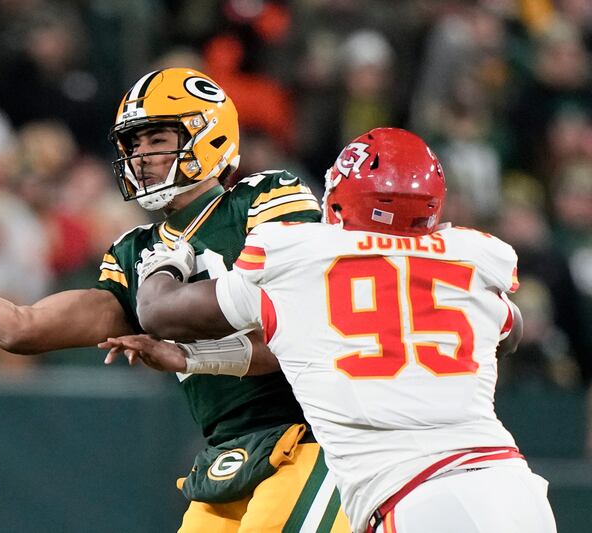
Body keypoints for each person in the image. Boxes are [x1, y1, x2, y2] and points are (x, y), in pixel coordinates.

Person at [0, 67, 350, 532]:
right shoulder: (135, 253)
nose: (140, 157)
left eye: (156, 140)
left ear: (209, 136)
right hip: (226, 459)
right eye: (133, 146)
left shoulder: (265, 199)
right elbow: (19, 328)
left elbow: (295, 335)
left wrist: (187, 356)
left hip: (308, 440)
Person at [106, 128, 558, 533]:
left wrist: (166, 260)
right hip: (514, 489)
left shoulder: (302, 259)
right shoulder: (469, 257)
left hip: (413, 495)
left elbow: (159, 312)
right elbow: (511, 327)